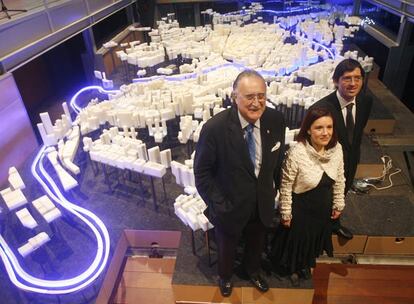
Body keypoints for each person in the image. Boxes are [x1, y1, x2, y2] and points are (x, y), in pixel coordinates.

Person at [194, 70, 285, 297]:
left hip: (262, 203)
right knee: (227, 246)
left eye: (261, 96)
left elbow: (277, 160)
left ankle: (252, 271)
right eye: (250, 97)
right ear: (235, 97)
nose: (257, 103)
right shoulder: (214, 129)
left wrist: (276, 192)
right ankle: (225, 277)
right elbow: (202, 174)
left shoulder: (276, 120)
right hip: (229, 206)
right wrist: (219, 205)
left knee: (256, 242)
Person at [271, 106, 345, 286]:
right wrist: (286, 212)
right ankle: (290, 267)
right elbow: (286, 185)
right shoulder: (297, 152)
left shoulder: (337, 149)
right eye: (319, 128)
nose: (325, 133)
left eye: (329, 127)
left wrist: (338, 203)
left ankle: (304, 264)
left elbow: (340, 178)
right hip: (302, 208)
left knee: (313, 241)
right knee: (296, 241)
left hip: (323, 208)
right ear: (309, 130)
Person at [311, 58, 373, 240]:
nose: (353, 83)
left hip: (352, 160)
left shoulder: (366, 101)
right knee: (323, 199)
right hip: (327, 165)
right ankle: (316, 232)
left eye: (358, 78)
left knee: (341, 194)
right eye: (347, 78)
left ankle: (333, 224)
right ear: (336, 81)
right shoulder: (322, 108)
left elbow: (358, 132)